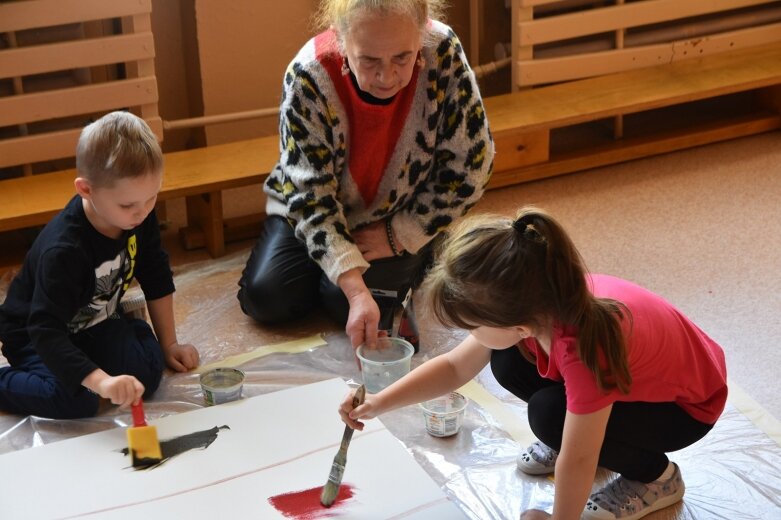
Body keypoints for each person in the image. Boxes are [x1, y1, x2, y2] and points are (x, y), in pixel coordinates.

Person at [339, 206, 728, 520]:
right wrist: (378, 402)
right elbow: (455, 368)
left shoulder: (586, 349)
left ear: (520, 325)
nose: (469, 334)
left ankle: (656, 477)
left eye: (474, 325)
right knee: (506, 362)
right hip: (636, 378)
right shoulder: (543, 297)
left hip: (687, 409)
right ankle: (577, 428)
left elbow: (578, 459)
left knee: (549, 416)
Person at [237, 0, 494, 351]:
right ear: (342, 42)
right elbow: (309, 199)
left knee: (341, 301)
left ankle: (414, 254)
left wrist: (400, 235)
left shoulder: (444, 51)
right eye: (369, 60)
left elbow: (471, 166)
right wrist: (353, 284)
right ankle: (358, 273)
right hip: (321, 210)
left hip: (398, 213)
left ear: (422, 35)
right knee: (266, 298)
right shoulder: (308, 75)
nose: (386, 77)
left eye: (402, 58)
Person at [0, 111, 200, 419]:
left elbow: (156, 273)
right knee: (78, 400)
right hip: (35, 333)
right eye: (128, 205)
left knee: (144, 377)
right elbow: (45, 330)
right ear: (86, 190)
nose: (142, 212)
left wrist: (169, 343)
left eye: (152, 198)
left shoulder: (138, 214)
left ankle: (127, 329)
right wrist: (101, 381)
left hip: (93, 321)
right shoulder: (64, 250)